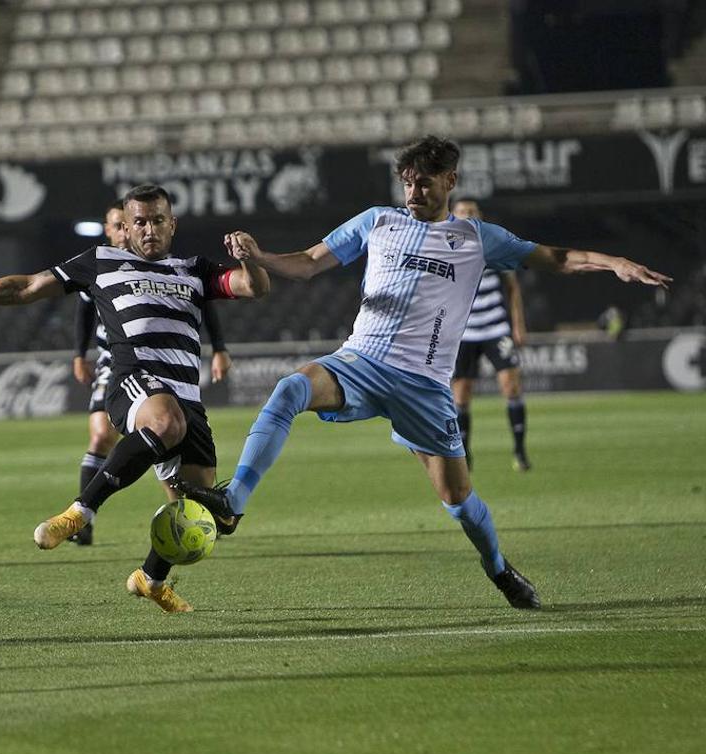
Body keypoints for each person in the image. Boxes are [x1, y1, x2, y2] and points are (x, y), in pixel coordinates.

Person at [173, 136, 671, 610]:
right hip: (359, 362)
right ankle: (233, 501)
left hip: (424, 384)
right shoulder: (376, 222)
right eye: (408, 182)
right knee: (290, 390)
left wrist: (614, 263)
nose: (414, 191)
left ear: (449, 181)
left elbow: (557, 258)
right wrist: (256, 256)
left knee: (458, 499)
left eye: (425, 182)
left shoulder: (477, 238)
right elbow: (306, 264)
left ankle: (498, 568)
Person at [0, 184, 269, 612]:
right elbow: (26, 286)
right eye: (139, 221)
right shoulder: (101, 262)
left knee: (202, 511)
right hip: (134, 383)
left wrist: (249, 258)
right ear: (126, 225)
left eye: (158, 220)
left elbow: (255, 288)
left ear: (172, 223)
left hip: (186, 399)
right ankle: (80, 512)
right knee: (165, 423)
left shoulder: (194, 268)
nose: (149, 229)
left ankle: (150, 578)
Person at [70, 199, 233, 546]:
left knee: (169, 452)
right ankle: (82, 519)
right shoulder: (99, 264)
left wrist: (219, 347)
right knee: (102, 435)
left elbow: (201, 301)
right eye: (118, 225)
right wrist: (78, 354)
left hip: (169, 374)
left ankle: (170, 537)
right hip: (115, 365)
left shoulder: (170, 269)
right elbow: (82, 312)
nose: (120, 231)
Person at [449, 199, 531, 471]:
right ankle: (465, 455)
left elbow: (512, 287)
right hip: (464, 331)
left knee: (511, 387)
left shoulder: (495, 245)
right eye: (462, 212)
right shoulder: (445, 248)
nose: (468, 215)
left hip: (496, 327)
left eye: (472, 212)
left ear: (481, 216)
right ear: (453, 216)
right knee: (461, 395)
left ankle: (519, 450)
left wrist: (518, 324)